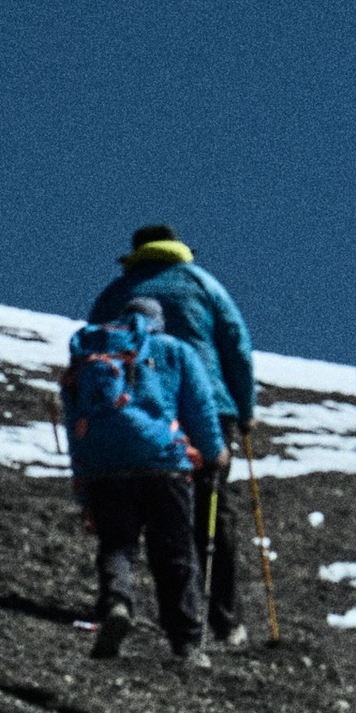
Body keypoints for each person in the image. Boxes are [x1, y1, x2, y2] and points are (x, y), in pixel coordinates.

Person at [85, 225, 258, 645]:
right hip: (209, 405)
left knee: (151, 511)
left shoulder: (116, 292)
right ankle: (221, 618)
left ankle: (128, 600)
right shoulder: (201, 282)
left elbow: (96, 352)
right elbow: (235, 343)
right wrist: (245, 408)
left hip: (139, 410)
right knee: (211, 510)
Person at [60, 295, 227, 662]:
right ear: (157, 321)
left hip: (105, 467)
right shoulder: (173, 350)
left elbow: (75, 425)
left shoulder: (89, 356)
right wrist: (214, 453)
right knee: (174, 551)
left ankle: (117, 605)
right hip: (163, 461)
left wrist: (84, 482)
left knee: (117, 545)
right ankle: (185, 642)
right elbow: (199, 405)